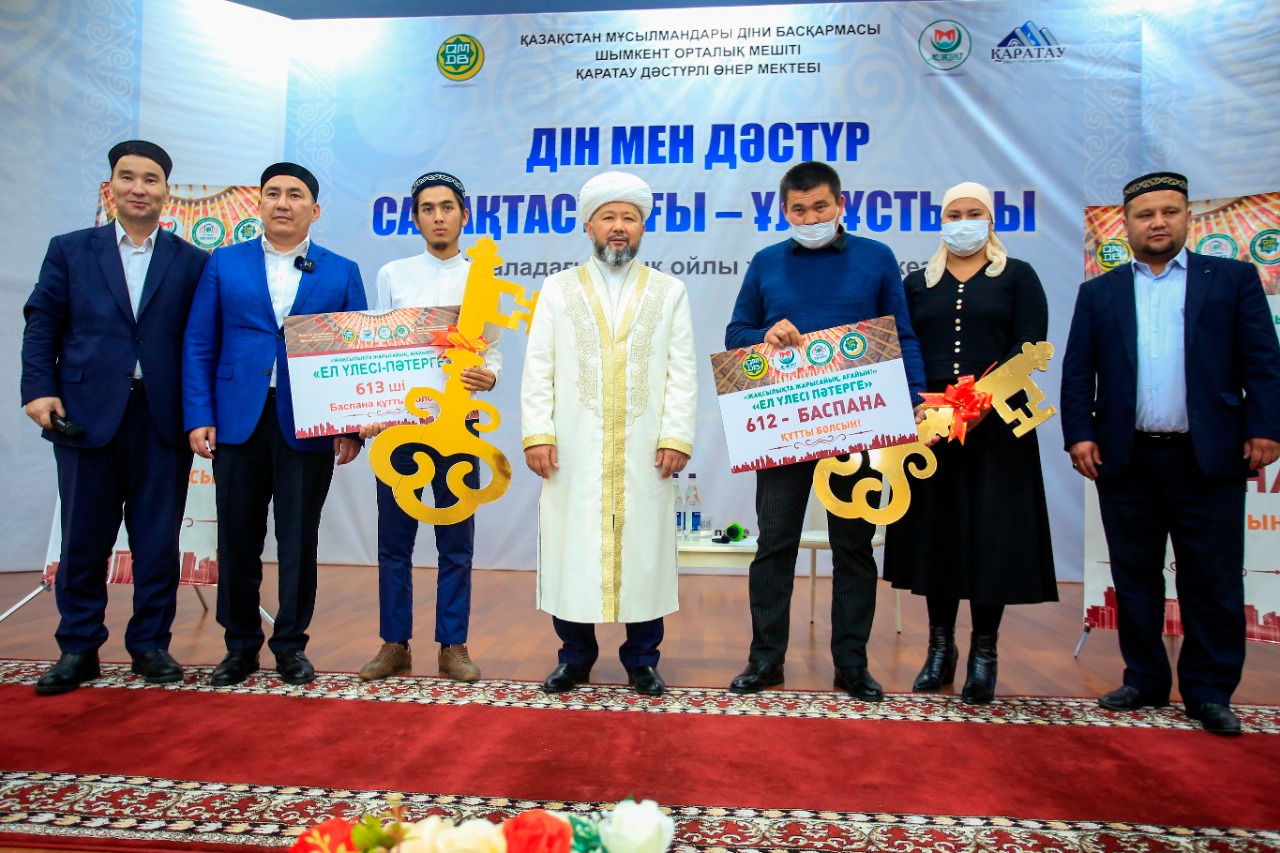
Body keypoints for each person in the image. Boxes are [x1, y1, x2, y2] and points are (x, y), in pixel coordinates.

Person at [1061, 171, 1280, 736]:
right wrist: (1079, 434)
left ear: (1187, 217)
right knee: (1134, 577)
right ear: (1127, 224)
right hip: (1126, 457)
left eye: (1169, 212)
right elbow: (1078, 371)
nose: (1158, 222)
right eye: (1145, 214)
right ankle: (1144, 678)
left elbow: (1263, 363)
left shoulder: (1232, 280)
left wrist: (1265, 427)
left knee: (1213, 580)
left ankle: (1209, 691)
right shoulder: (1099, 292)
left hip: (1209, 457)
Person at [724, 160, 925, 700]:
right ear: (783, 211)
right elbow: (736, 332)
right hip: (786, 425)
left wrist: (914, 400)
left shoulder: (876, 257)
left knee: (854, 546)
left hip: (859, 423)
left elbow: (901, 334)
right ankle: (765, 660)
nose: (810, 218)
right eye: (798, 210)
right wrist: (765, 334)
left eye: (820, 207)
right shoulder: (766, 262)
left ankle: (852, 664)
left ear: (840, 205)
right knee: (775, 544)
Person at [20, 140, 209, 695]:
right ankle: (78, 647)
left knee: (157, 542)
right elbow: (42, 323)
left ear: (167, 192)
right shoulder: (69, 250)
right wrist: (39, 390)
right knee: (83, 539)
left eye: (151, 179)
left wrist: (201, 411)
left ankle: (150, 645)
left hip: (162, 417)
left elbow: (200, 342)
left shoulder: (192, 261)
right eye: (127, 177)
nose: (138, 188)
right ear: (110, 187)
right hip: (84, 415)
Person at [183, 162, 368, 687]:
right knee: (237, 539)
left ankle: (290, 646)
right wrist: (200, 414)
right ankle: (239, 647)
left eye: (295, 195)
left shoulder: (342, 271)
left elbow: (355, 353)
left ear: (315, 209)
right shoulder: (224, 262)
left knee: (298, 540)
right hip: (236, 420)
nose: (283, 203)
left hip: (308, 422)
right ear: (259, 203)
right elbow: (199, 341)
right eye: (273, 193)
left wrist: (350, 425)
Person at [521, 171, 697, 697]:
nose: (618, 227)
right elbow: (538, 366)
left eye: (629, 218)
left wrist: (675, 435)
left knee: (645, 551)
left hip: (645, 448)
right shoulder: (558, 289)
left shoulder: (669, 291)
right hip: (573, 448)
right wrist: (537, 432)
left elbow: (682, 370)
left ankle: (642, 660)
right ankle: (574, 658)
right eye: (608, 217)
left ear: (642, 227)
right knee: (572, 547)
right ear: (589, 226)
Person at [882, 181, 1057, 705]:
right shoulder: (918, 283)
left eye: (973, 213)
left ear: (990, 220)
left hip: (998, 429)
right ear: (941, 222)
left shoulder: (1018, 276)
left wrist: (977, 406)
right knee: (937, 534)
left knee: (990, 535)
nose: (963, 222)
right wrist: (923, 407)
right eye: (954, 214)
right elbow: (903, 347)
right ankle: (940, 649)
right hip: (932, 430)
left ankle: (985, 652)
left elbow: (1029, 347)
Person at [356, 171, 502, 683]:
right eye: (427, 208)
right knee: (394, 541)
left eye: (447, 207)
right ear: (415, 218)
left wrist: (490, 375)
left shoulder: (483, 277)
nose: (438, 217)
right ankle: (393, 644)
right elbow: (376, 349)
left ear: (464, 215)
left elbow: (493, 349)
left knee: (456, 540)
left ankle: (453, 645)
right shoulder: (393, 274)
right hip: (400, 427)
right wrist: (370, 408)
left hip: (460, 425)